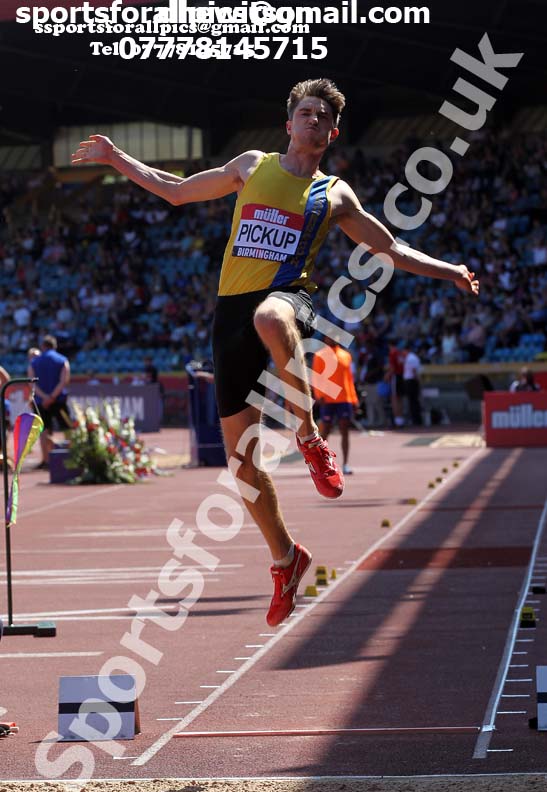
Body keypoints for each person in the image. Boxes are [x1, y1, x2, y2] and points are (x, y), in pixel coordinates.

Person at [72, 78, 479, 626]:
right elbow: (174, 189)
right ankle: (287, 558)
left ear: (332, 133)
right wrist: (116, 156)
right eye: (304, 112)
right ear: (289, 124)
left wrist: (449, 269)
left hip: (290, 299)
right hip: (229, 314)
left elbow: (389, 247)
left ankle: (308, 436)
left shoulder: (334, 194)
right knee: (241, 464)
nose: (312, 120)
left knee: (272, 315)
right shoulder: (250, 166)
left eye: (321, 117)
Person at [312, 334, 359, 475]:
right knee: (324, 433)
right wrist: (319, 395)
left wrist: (354, 398)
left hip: (344, 399)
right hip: (328, 399)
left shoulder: (346, 355)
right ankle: (322, 465)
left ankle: (345, 464)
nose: (333, 339)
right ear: (325, 339)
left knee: (345, 431)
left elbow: (349, 379)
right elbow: (316, 376)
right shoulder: (320, 355)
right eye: (330, 337)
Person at [29, 335, 71, 468]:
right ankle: (72, 457)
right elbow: (64, 380)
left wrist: (45, 397)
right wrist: (52, 397)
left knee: (44, 430)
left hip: (41, 401)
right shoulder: (63, 360)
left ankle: (45, 460)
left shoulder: (34, 362)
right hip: (58, 400)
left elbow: (31, 383)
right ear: (55, 346)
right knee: (66, 429)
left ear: (43, 346)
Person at [387, 340, 406, 427]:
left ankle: (397, 420)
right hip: (402, 376)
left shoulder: (393, 353)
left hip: (396, 376)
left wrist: (387, 376)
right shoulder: (400, 353)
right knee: (400, 398)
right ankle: (400, 420)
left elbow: (392, 368)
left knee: (394, 398)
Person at [403, 345, 423, 426]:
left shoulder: (411, 358)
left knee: (413, 400)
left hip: (412, 381)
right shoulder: (409, 357)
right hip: (411, 381)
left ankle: (416, 420)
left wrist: (418, 381)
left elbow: (414, 371)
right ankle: (415, 419)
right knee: (412, 401)